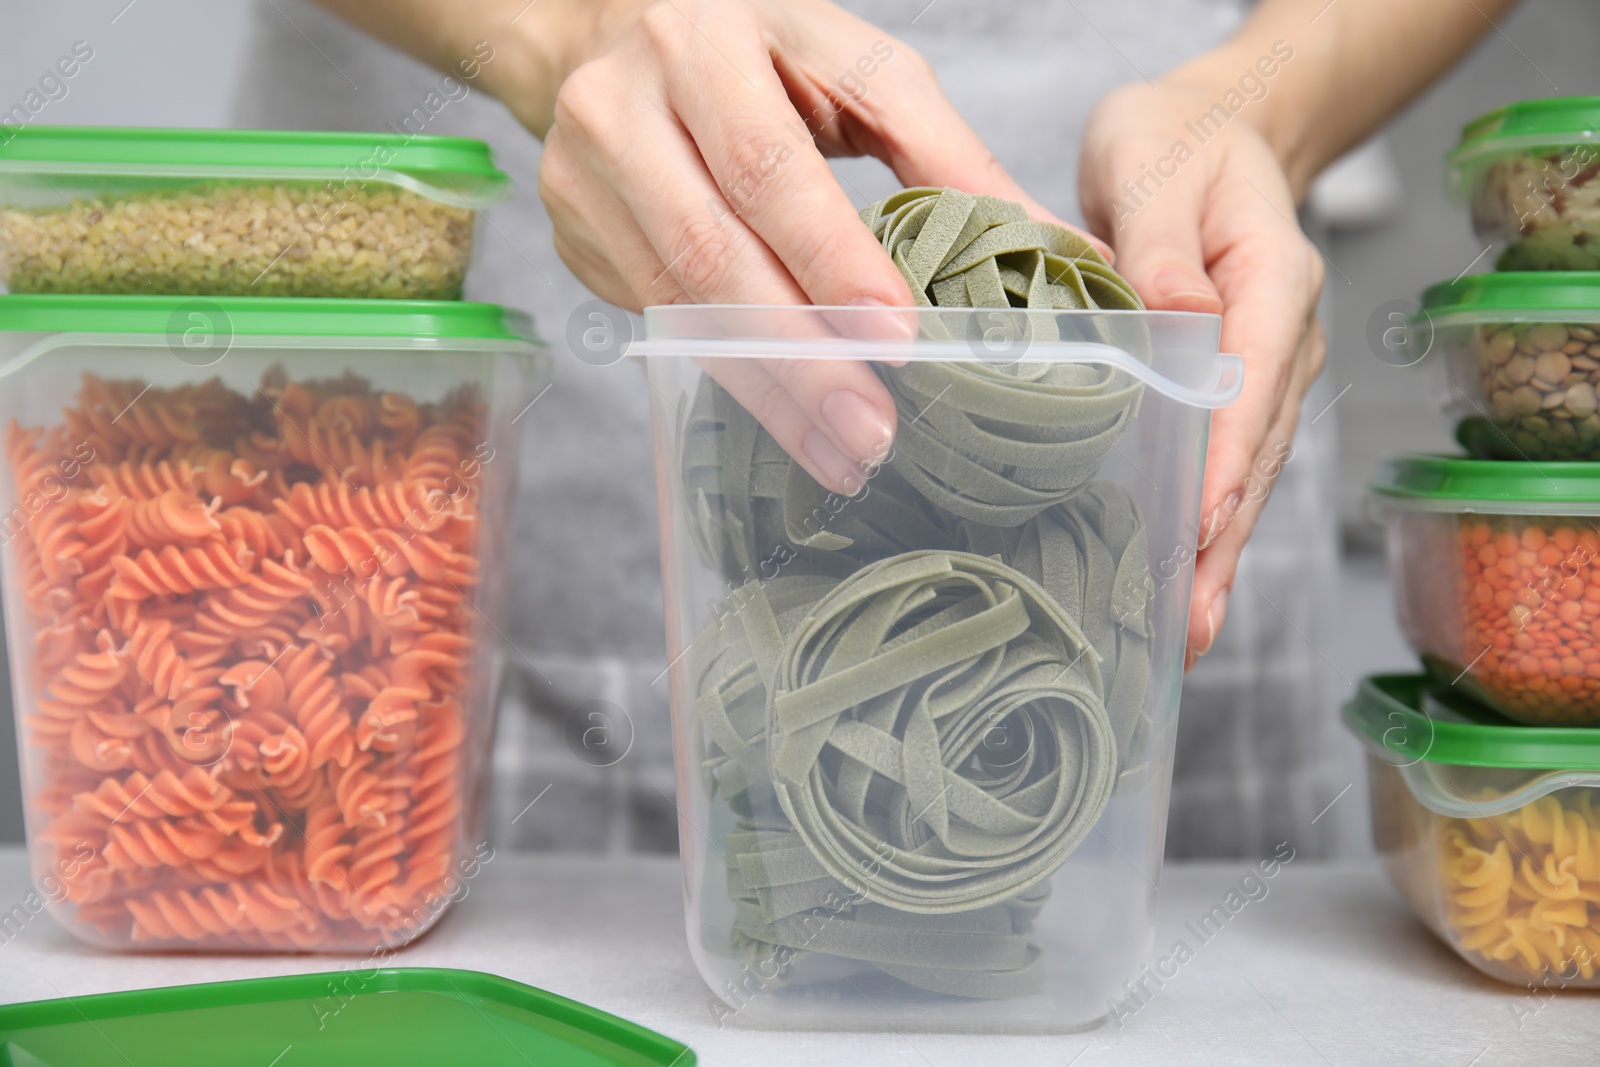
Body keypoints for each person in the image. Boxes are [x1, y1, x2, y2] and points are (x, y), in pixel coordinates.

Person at [234, 0, 1513, 856]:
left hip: (1145, 417)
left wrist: (1262, 101)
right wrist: (552, 32)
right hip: (516, 424)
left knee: (1101, 935)